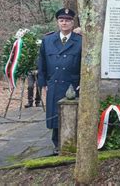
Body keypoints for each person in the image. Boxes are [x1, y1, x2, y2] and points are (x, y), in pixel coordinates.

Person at [38, 8, 82, 154]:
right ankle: (56, 144)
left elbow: (84, 64)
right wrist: (43, 83)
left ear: (72, 22)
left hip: (72, 85)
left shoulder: (80, 41)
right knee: (55, 115)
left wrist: (82, 82)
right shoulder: (48, 40)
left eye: (68, 20)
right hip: (54, 84)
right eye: (61, 20)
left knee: (71, 115)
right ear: (57, 22)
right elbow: (42, 63)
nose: (64, 23)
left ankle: (71, 142)